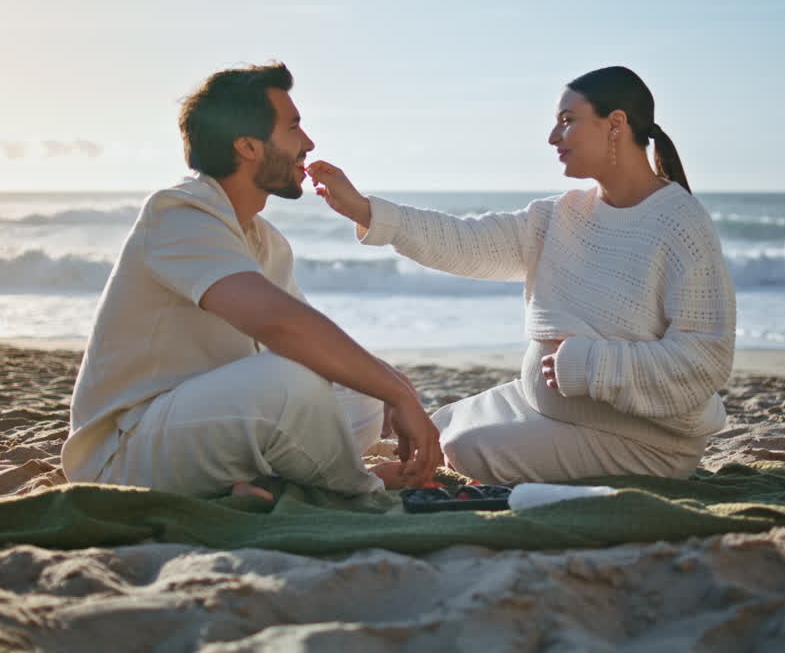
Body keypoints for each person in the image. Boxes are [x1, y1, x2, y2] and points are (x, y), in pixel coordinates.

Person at [308, 66, 735, 484]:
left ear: (615, 124)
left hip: (646, 439)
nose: (553, 138)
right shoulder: (561, 215)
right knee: (439, 428)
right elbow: (466, 240)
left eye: (567, 122)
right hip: (544, 407)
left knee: (465, 449)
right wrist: (366, 210)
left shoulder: (681, 224)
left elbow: (705, 359)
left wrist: (587, 365)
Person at [61, 63, 442, 501]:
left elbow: (310, 343)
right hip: (124, 454)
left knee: (361, 394)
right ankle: (357, 488)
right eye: (294, 127)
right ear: (247, 146)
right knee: (288, 383)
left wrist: (391, 387)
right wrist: (399, 392)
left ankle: (267, 483)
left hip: (200, 421)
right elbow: (280, 326)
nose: (309, 144)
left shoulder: (265, 240)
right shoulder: (180, 212)